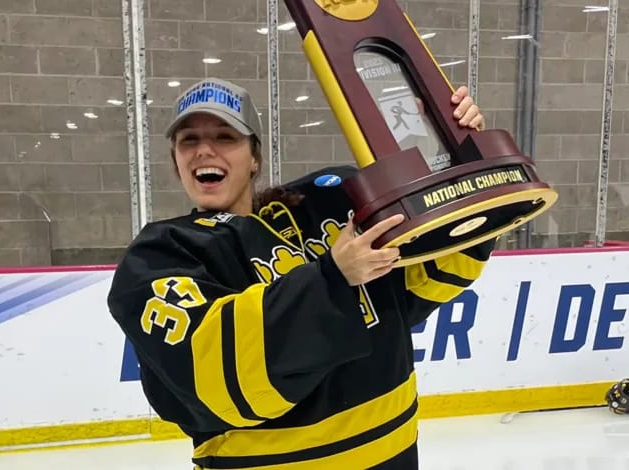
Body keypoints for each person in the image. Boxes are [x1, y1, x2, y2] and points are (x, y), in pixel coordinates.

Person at [107, 77, 493, 469]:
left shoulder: (331, 201)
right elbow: (219, 378)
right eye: (188, 140)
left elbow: (437, 270)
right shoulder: (162, 256)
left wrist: (452, 152)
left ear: (255, 157)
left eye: (225, 137)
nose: (204, 150)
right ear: (176, 161)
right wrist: (332, 278)